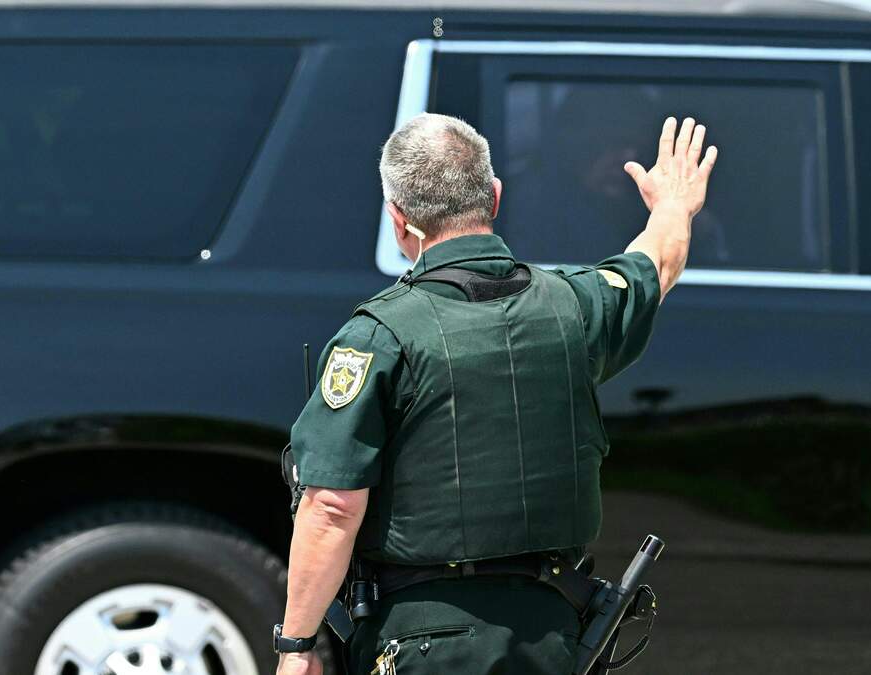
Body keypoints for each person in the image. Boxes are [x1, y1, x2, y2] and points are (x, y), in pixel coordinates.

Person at [275, 112, 716, 675]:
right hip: (554, 638)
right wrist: (674, 206)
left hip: (421, 644)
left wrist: (297, 646)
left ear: (398, 219)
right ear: (495, 197)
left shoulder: (377, 338)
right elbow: (656, 264)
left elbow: (333, 506)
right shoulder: (576, 307)